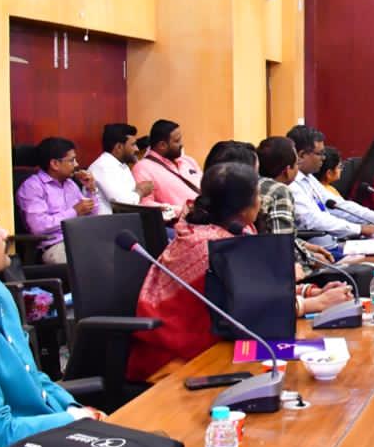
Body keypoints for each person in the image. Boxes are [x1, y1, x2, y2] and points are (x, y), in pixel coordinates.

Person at [128, 163, 351, 382]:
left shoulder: (225, 232)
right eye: (257, 195)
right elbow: (249, 312)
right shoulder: (210, 247)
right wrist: (317, 304)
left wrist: (312, 292)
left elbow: (260, 291)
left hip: (214, 343)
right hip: (173, 360)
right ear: (245, 208)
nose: (261, 200)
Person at [0, 186, 105, 447]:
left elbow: (33, 377)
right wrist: (73, 420)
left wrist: (73, 409)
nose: (4, 234)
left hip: (55, 433)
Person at [288, 126, 374, 235]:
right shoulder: (290, 184)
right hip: (315, 241)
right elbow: (312, 220)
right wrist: (358, 229)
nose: (323, 158)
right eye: (319, 153)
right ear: (301, 155)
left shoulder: (309, 178)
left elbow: (339, 206)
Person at [256, 137, 335, 275]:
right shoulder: (279, 191)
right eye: (297, 164)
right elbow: (282, 246)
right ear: (287, 170)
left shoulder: (256, 184)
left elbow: (276, 234)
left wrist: (306, 246)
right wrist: (312, 259)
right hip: (287, 274)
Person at [16, 137, 101, 264]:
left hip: (79, 240)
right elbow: (38, 226)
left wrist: (91, 190)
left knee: (113, 255)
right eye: (71, 160)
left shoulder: (70, 184)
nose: (77, 165)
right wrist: (74, 211)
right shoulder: (32, 187)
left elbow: (91, 217)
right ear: (55, 164)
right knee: (93, 263)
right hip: (54, 246)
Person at [131, 119, 202, 217]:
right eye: (177, 141)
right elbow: (145, 204)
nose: (181, 144)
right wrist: (182, 211)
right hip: (180, 222)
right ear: (162, 145)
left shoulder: (188, 161)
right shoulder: (143, 168)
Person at [87, 123, 154, 212]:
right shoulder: (102, 167)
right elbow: (124, 204)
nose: (137, 149)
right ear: (119, 147)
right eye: (133, 145)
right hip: (109, 220)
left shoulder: (121, 165)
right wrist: (141, 191)